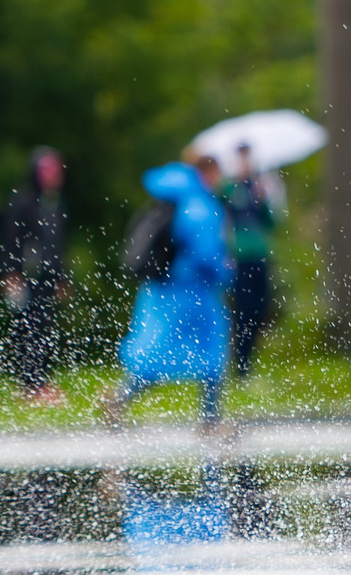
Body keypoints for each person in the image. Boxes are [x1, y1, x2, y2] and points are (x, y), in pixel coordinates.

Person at [102, 149, 235, 433]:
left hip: (161, 291)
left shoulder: (173, 197)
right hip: (193, 292)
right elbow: (206, 252)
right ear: (209, 172)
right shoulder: (199, 204)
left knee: (156, 352)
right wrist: (226, 271)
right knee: (213, 351)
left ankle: (120, 397)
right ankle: (210, 419)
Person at [0, 147, 71, 405]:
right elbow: (11, 240)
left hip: (47, 278)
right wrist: (10, 273)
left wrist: (61, 277)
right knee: (30, 329)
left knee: (45, 329)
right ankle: (31, 384)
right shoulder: (23, 202)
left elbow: (57, 246)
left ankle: (41, 382)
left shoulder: (54, 204)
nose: (54, 175)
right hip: (27, 276)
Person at [221, 140, 285, 381]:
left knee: (260, 307)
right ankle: (240, 363)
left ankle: (247, 358)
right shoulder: (229, 188)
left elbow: (270, 222)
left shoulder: (258, 186)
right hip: (238, 257)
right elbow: (223, 219)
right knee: (243, 309)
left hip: (259, 254)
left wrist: (265, 199)